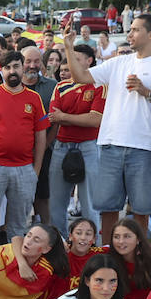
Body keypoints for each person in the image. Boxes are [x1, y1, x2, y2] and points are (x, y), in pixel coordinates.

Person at [62, 14, 151, 242]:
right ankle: (108, 253)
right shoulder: (120, 62)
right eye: (130, 29)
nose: (129, 34)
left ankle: (135, 255)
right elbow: (81, 77)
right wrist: (68, 47)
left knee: (141, 210)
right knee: (108, 207)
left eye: (136, 30)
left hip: (144, 147)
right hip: (110, 145)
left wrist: (147, 92)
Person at [0, 51, 48, 244]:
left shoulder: (34, 98)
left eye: (16, 66)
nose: (12, 71)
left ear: (22, 68)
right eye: (7, 67)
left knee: (18, 223)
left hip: (24, 169)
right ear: (1, 70)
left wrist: (35, 170)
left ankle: (16, 263)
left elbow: (40, 137)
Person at [47, 44, 105, 236]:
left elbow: (94, 119)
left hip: (89, 146)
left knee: (89, 203)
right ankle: (60, 245)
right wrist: (75, 118)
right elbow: (53, 116)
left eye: (76, 59)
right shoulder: (61, 85)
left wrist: (64, 117)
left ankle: (91, 246)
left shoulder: (99, 84)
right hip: (61, 145)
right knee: (57, 201)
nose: (72, 64)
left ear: (89, 61)